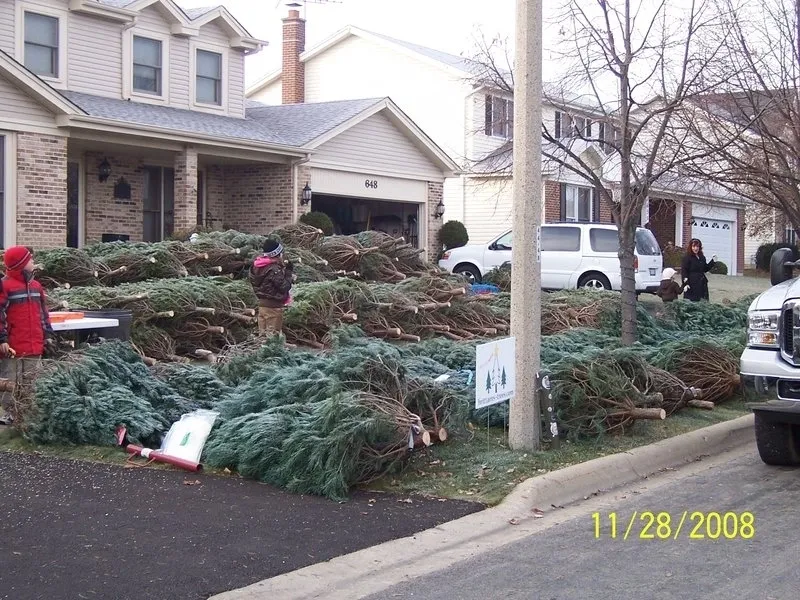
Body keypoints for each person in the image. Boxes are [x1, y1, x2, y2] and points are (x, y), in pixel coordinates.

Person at [0, 246, 54, 424]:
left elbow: (43, 312)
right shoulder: (5, 286)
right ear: (21, 264)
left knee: (32, 381)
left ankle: (29, 413)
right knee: (11, 380)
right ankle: (10, 413)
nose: (33, 262)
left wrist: (47, 334)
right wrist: (2, 339)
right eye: (30, 259)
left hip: (34, 344)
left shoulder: (36, 286)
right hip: (12, 347)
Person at [249, 239, 294, 335]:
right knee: (273, 339)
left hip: (262, 306)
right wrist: (288, 272)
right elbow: (284, 287)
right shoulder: (274, 269)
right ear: (277, 254)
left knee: (263, 338)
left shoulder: (256, 267)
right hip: (273, 308)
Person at [681, 238, 717, 302]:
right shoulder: (687, 257)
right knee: (693, 301)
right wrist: (685, 284)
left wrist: (713, 262)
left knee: (702, 300)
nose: (695, 248)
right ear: (690, 247)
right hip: (692, 283)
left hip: (702, 283)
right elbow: (684, 271)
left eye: (697, 246)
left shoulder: (702, 257)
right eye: (693, 246)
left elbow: (705, 269)